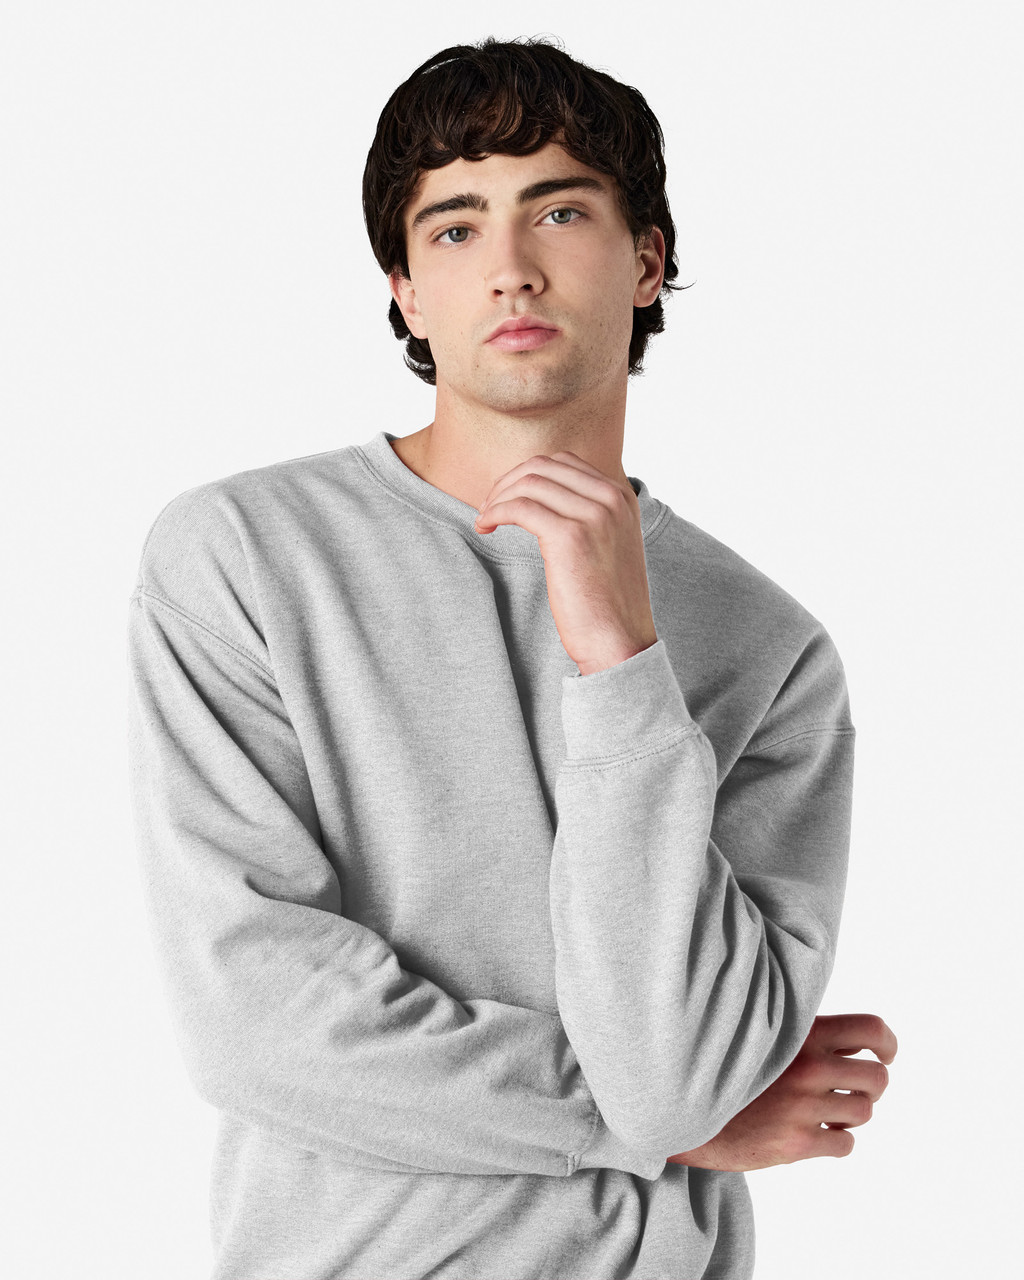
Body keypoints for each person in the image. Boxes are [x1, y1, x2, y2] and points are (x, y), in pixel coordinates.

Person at [126, 36, 897, 1280]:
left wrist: (620, 658)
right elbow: (254, 1019)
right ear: (405, 293)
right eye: (455, 228)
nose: (511, 267)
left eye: (560, 210)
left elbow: (675, 1076)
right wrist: (645, 1129)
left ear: (646, 259)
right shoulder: (245, 556)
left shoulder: (769, 648)